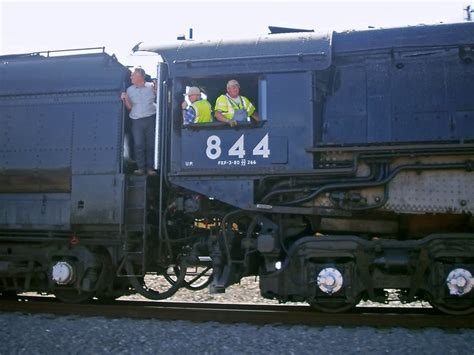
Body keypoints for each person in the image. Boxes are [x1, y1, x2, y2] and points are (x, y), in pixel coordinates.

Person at [121, 67, 157, 176]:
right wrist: (125, 99)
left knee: (151, 144)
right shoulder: (130, 90)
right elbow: (129, 108)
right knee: (138, 144)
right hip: (136, 120)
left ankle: (150, 168)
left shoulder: (151, 87)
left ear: (140, 76)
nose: (131, 77)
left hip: (150, 118)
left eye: (133, 75)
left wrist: (156, 90)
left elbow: (159, 98)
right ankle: (141, 168)